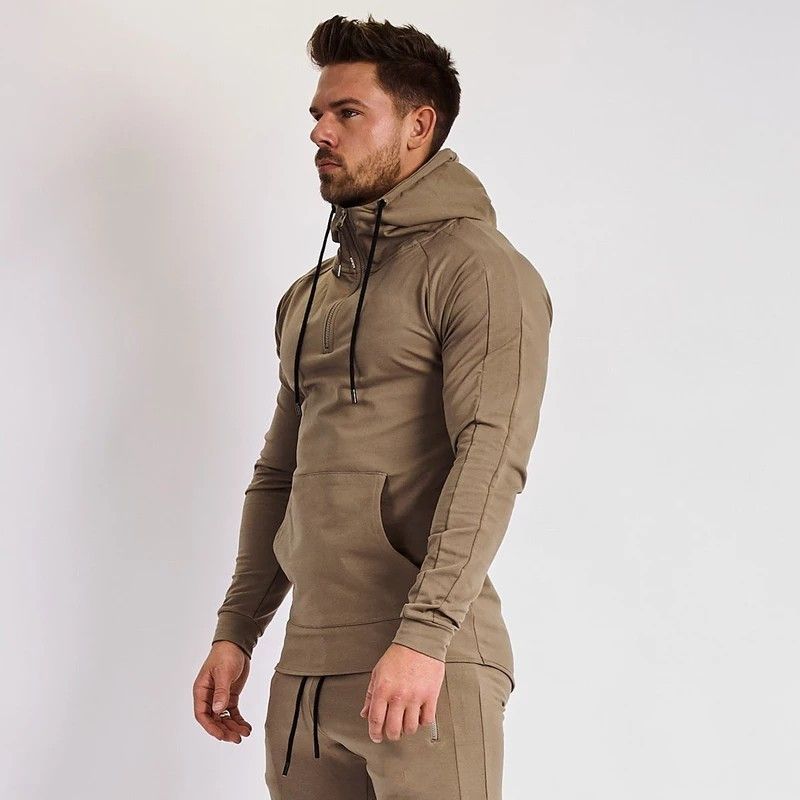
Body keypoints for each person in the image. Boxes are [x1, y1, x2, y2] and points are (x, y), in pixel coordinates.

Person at [193, 13, 553, 799]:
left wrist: (425, 635)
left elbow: (490, 459)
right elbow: (279, 473)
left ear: (419, 125)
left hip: (425, 663)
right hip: (305, 671)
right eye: (318, 114)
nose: (320, 132)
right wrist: (237, 629)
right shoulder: (310, 296)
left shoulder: (478, 270)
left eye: (348, 112)